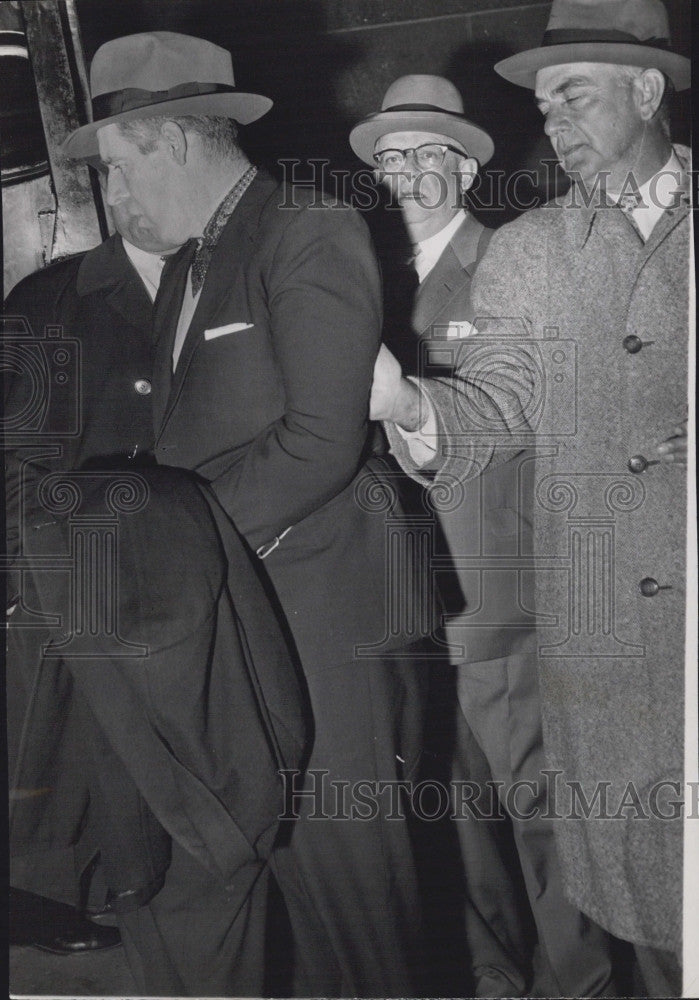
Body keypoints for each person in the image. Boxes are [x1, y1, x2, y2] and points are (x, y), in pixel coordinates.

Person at [62, 30, 433, 997]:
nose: (118, 198)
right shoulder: (191, 263)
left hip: (327, 621)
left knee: (355, 900)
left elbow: (321, 440)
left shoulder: (306, 225)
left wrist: (176, 547)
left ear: (170, 139)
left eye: (117, 170)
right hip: (235, 621)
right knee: (261, 886)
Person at [372, 0, 690, 994]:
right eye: (544, 103)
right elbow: (500, 404)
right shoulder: (532, 252)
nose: (552, 121)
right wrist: (407, 399)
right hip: (595, 647)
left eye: (573, 96)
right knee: (633, 898)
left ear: (647, 90)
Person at [352, 73, 615, 997]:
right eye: (388, 157)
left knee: (537, 806)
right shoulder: (353, 279)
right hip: (397, 594)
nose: (405, 173)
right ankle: (495, 978)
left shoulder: (516, 263)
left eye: (427, 153)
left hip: (501, 593)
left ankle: (581, 979)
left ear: (464, 166)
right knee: (448, 811)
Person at [4, 199, 307, 995]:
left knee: (275, 834)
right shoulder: (49, 301)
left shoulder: (261, 276)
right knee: (160, 853)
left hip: (261, 596)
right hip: (119, 632)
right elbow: (16, 474)